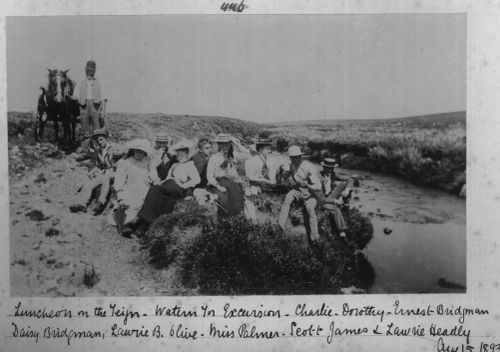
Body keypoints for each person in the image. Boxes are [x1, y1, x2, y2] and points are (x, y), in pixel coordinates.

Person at [136, 139, 201, 231]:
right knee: (154, 189)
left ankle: (144, 223)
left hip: (177, 188)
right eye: (178, 154)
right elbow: (168, 177)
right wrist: (161, 182)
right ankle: (144, 222)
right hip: (167, 185)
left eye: (182, 155)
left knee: (156, 190)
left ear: (187, 155)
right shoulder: (175, 164)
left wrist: (184, 185)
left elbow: (197, 180)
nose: (179, 156)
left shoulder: (190, 165)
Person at [69, 128, 123, 215]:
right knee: (90, 182)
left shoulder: (114, 147)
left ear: (106, 138)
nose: (100, 142)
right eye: (97, 141)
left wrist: (115, 159)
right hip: (106, 173)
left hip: (117, 173)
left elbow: (121, 160)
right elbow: (99, 166)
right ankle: (82, 204)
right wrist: (94, 171)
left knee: (106, 176)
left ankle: (101, 203)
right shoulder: (99, 151)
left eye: (101, 139)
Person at [111, 139, 158, 236]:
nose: (138, 153)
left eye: (141, 151)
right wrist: (120, 195)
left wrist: (155, 180)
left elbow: (154, 176)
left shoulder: (149, 162)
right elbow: (119, 180)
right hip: (130, 189)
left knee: (141, 205)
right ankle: (126, 225)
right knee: (126, 205)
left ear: (145, 152)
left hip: (144, 189)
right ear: (133, 150)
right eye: (137, 150)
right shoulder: (126, 162)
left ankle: (136, 225)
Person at [278, 145, 322, 242]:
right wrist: (284, 175)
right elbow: (285, 176)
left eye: (295, 157)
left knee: (310, 208)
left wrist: (308, 185)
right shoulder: (291, 165)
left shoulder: (308, 167)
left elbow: (318, 186)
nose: (293, 159)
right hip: (297, 191)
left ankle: (314, 236)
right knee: (288, 198)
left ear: (300, 156)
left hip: (309, 193)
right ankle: (280, 226)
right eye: (291, 157)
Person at [207, 133, 251, 218]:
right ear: (219, 145)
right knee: (224, 200)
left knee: (238, 199)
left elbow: (248, 155)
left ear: (230, 144)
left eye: (227, 144)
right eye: (222, 144)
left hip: (233, 183)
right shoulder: (214, 157)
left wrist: (237, 144)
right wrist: (219, 186)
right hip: (219, 183)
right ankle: (226, 221)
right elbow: (209, 176)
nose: (225, 147)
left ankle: (237, 219)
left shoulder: (233, 155)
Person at [71, 60, 104, 157]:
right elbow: (75, 97)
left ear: (94, 71)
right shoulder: (80, 83)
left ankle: (98, 152)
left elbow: (104, 98)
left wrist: (103, 112)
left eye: (92, 70)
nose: (90, 72)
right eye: (88, 70)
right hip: (84, 107)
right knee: (85, 130)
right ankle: (85, 152)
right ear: (85, 70)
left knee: (97, 130)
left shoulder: (99, 83)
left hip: (95, 107)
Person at [318, 158, 353, 238]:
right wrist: (335, 201)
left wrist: (347, 190)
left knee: (345, 183)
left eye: (332, 168)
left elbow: (349, 179)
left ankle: (345, 204)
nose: (330, 170)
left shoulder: (333, 174)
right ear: (324, 167)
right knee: (335, 209)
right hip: (323, 199)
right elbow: (320, 198)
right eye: (328, 168)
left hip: (331, 194)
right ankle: (341, 229)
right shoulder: (319, 177)